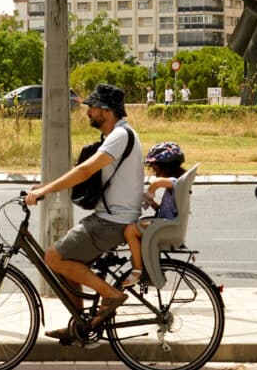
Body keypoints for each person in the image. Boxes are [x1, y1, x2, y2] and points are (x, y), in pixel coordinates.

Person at [25, 83, 144, 341]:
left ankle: (111, 295)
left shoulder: (120, 137)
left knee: (54, 257)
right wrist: (47, 186)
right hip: (111, 217)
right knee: (66, 263)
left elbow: (85, 171)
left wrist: (46, 191)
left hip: (111, 221)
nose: (88, 113)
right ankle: (79, 325)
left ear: (107, 112)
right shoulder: (120, 135)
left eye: (93, 108)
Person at [121, 142, 187, 287]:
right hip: (166, 225)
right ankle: (147, 269)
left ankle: (137, 271)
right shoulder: (177, 182)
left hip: (165, 228)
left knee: (130, 230)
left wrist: (150, 192)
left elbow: (157, 183)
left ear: (166, 165)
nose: (153, 170)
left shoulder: (175, 182)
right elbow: (167, 210)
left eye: (155, 167)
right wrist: (151, 203)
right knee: (135, 227)